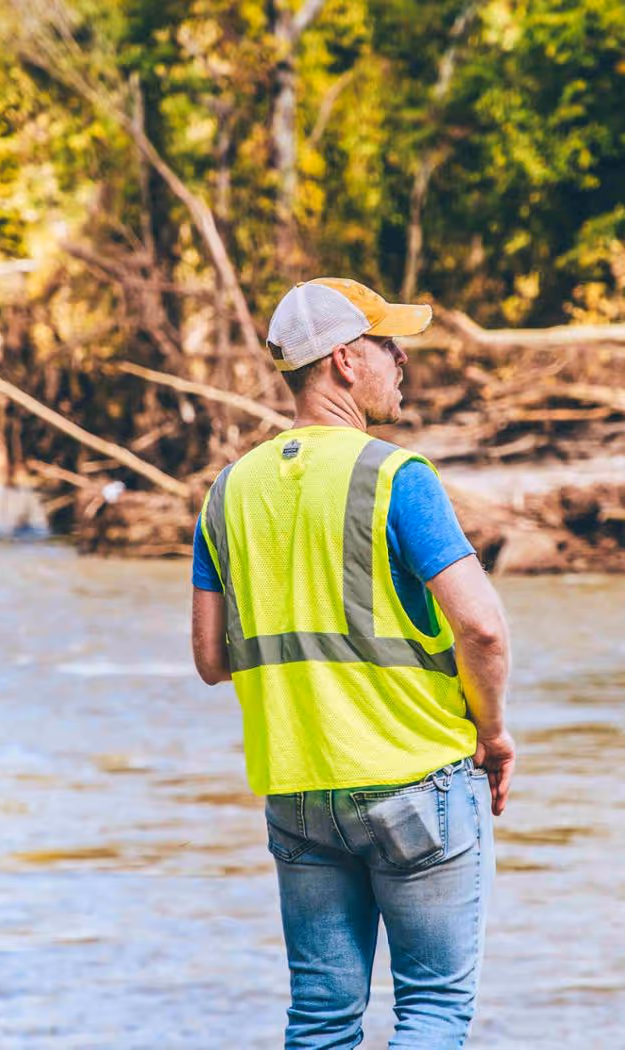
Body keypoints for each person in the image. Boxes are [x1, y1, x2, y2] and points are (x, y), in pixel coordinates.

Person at [190, 277, 515, 1049]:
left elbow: (209, 659)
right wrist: (493, 733)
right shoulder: (396, 477)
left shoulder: (226, 493)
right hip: (415, 786)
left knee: (321, 1021)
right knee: (432, 1013)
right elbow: (484, 628)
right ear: (343, 360)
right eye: (386, 345)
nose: (400, 360)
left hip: (298, 793)